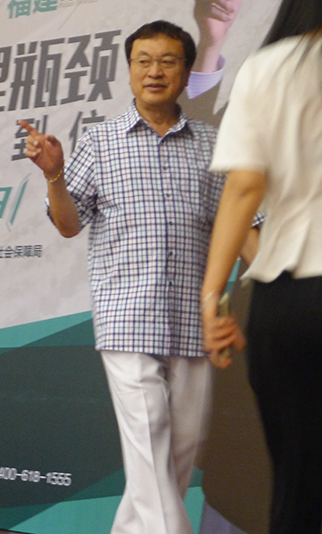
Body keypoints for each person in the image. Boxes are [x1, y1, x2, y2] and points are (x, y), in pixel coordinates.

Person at [19, 20, 258, 534]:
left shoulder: (215, 144)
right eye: (143, 61)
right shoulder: (100, 141)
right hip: (127, 316)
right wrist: (54, 175)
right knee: (149, 441)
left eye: (168, 61)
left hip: (194, 320)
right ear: (129, 71)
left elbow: (244, 229)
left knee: (177, 455)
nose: (154, 71)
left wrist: (280, 285)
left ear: (187, 73)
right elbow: (68, 224)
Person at [200, 0, 322, 531]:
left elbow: (243, 188)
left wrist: (213, 297)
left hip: (291, 295)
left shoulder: (269, 67)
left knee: (299, 482)